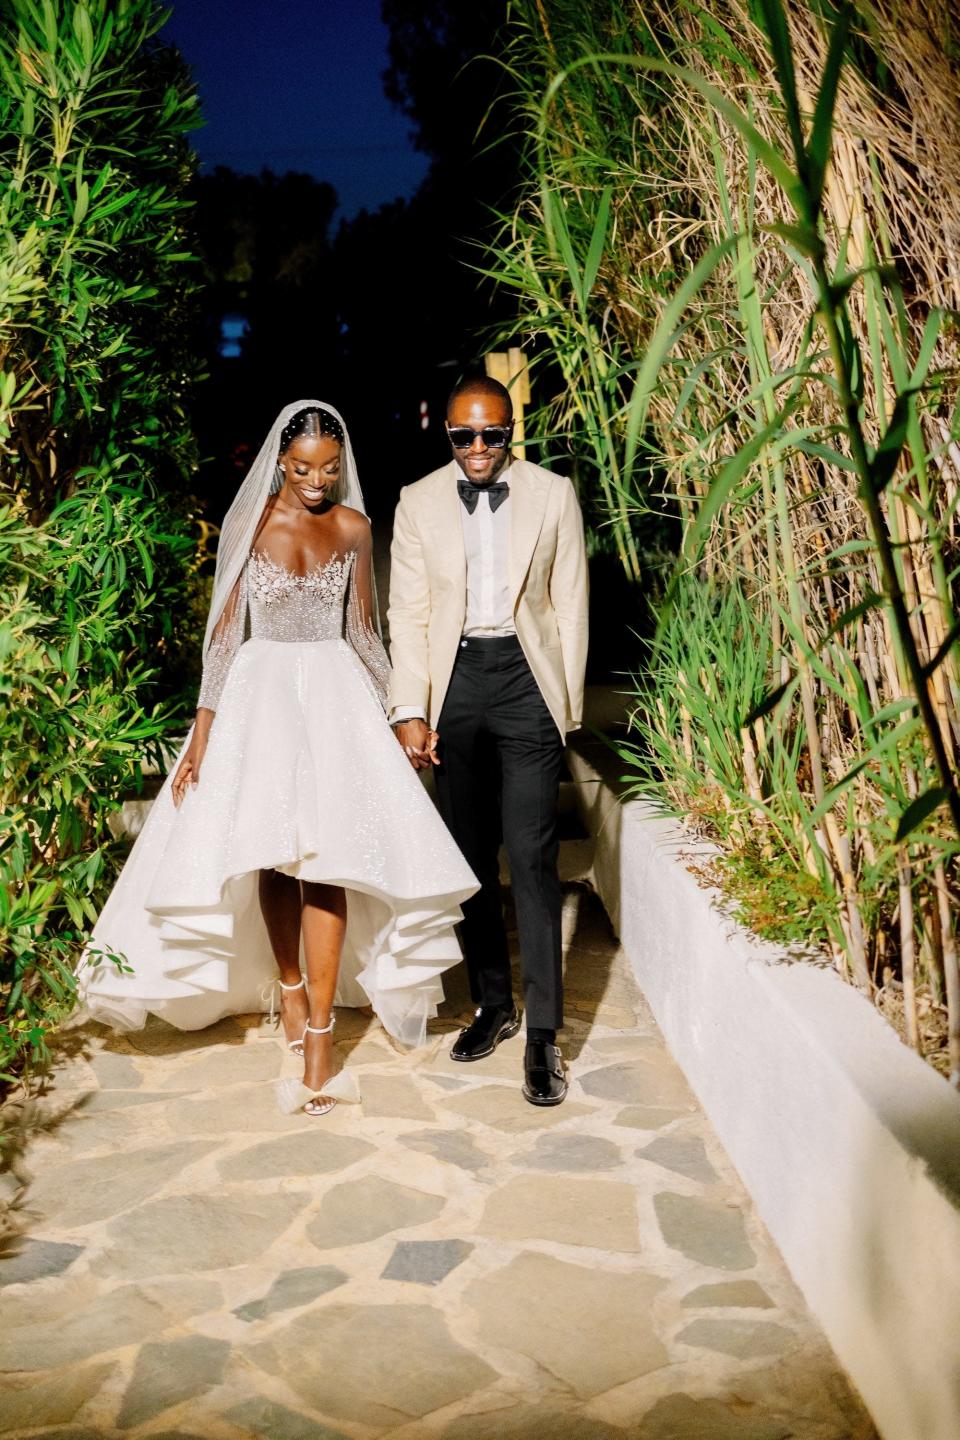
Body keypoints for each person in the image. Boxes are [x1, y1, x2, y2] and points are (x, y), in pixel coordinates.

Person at [81, 401, 478, 1116]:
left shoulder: (355, 529)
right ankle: (289, 988)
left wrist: (404, 717)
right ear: (280, 464)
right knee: (270, 857)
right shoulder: (253, 524)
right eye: (303, 469)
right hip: (259, 700)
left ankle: (320, 1042)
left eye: (330, 468)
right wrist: (201, 734)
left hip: (333, 702)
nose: (318, 480)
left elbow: (364, 637)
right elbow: (224, 639)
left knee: (329, 867)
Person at [388, 375, 588, 1105]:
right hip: (454, 684)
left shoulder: (552, 494)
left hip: (526, 681)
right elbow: (407, 615)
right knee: (470, 857)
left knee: (532, 857)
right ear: (446, 432)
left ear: (511, 432)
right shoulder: (416, 502)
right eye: (463, 436)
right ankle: (495, 1006)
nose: (478, 449)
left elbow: (570, 602)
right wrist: (410, 707)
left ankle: (544, 1037)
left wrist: (561, 704)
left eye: (492, 435)